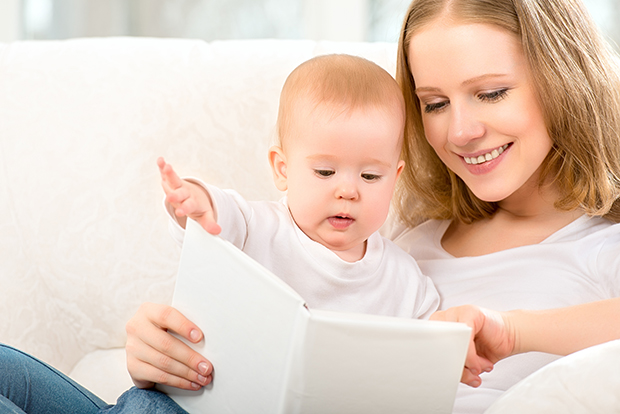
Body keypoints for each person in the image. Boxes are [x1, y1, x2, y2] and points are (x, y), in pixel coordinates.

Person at [2, 0, 620, 413]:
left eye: (490, 92)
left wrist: (511, 332)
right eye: (434, 104)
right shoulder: (404, 233)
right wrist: (158, 346)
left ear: (561, 78)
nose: (460, 131)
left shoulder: (596, 243)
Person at [157, 53, 438, 320]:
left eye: (371, 176)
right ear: (283, 169)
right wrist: (200, 203)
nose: (348, 191)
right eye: (325, 171)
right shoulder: (258, 230)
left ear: (395, 179)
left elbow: (436, 337)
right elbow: (224, 219)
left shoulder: (403, 276)